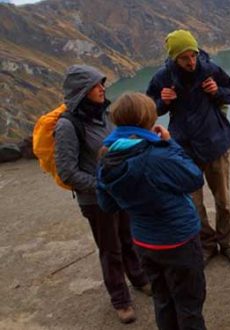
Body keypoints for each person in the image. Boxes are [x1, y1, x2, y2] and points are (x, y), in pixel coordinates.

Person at [96, 92, 207, 330]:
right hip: (179, 239)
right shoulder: (156, 154)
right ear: (148, 119)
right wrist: (170, 143)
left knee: (163, 298)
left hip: (144, 242)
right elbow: (194, 178)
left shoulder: (106, 156)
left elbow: (107, 205)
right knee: (189, 304)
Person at [54, 65, 150, 324]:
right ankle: (120, 299)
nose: (102, 88)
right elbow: (67, 172)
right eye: (96, 85)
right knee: (111, 249)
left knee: (129, 238)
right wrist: (103, 184)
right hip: (96, 200)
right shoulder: (68, 125)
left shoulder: (105, 114)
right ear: (82, 91)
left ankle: (139, 278)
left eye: (101, 84)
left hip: (120, 192)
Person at [146, 29, 230, 266]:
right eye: (184, 57)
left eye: (193, 55)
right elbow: (148, 109)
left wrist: (217, 92)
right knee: (194, 204)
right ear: (174, 58)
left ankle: (228, 243)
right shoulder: (163, 78)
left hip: (214, 143)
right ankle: (206, 245)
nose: (191, 61)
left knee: (223, 201)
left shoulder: (210, 69)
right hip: (184, 148)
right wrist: (163, 102)